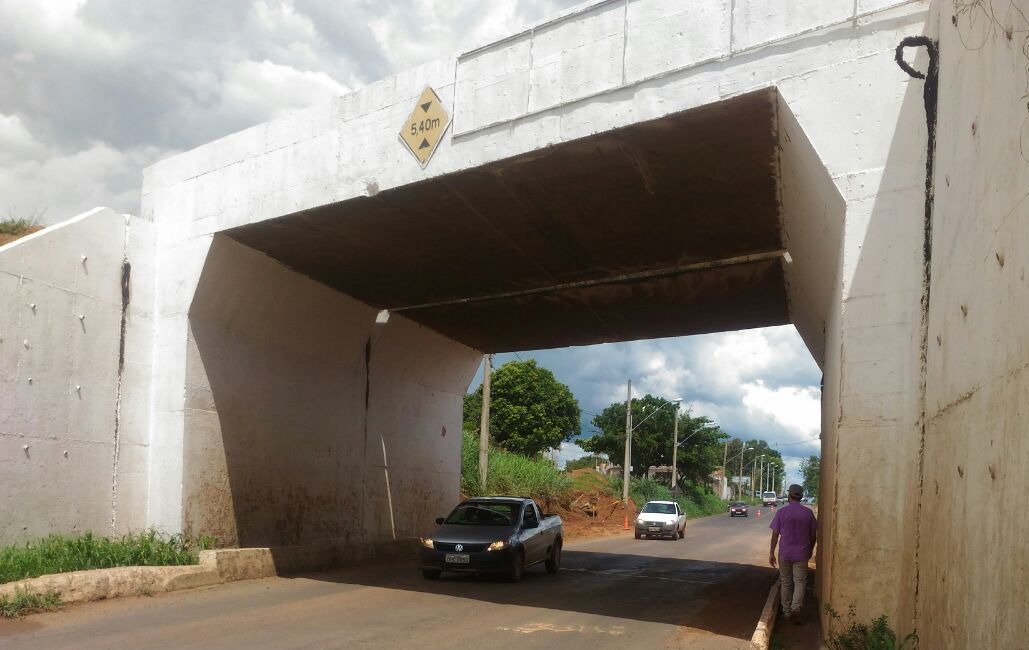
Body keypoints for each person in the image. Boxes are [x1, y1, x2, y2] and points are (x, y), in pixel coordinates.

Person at [768, 483, 817, 624]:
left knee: (786, 582)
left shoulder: (781, 512)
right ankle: (796, 607)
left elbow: (775, 534)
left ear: (789, 496)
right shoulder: (808, 513)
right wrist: (810, 549)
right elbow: (813, 535)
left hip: (785, 554)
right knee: (800, 581)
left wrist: (771, 553)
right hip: (802, 554)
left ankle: (787, 612)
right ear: (801, 497)